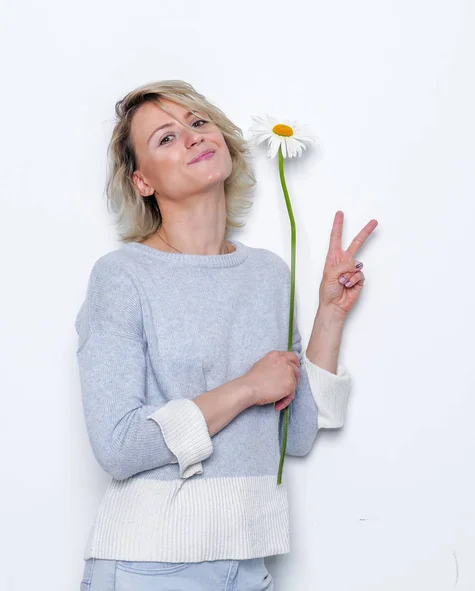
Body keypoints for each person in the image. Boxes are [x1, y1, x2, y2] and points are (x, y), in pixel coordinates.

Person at [75, 79, 378, 590]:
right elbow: (119, 446)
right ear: (142, 181)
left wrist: (329, 314)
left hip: (248, 562)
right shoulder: (122, 276)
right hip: (150, 567)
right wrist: (245, 389)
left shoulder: (267, 274)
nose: (193, 136)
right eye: (166, 138)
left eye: (198, 122)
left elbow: (295, 437)